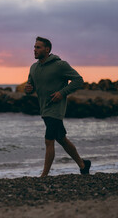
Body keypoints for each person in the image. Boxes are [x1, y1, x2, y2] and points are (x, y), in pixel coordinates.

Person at [25, 36, 91, 177]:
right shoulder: (33, 67)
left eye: (38, 47)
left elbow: (78, 80)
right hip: (44, 108)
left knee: (49, 140)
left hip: (56, 109)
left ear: (47, 50)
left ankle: (44, 175)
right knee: (61, 139)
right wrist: (28, 90)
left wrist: (62, 93)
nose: (34, 50)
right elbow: (30, 88)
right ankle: (83, 165)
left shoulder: (60, 65)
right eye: (34, 47)